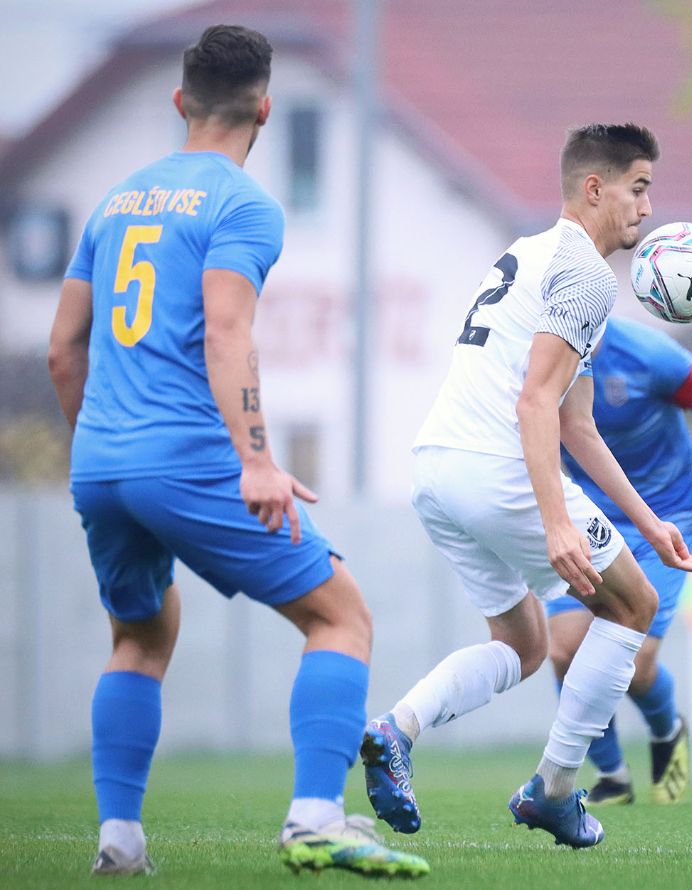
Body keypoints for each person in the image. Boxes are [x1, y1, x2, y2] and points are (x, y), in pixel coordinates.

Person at [47, 25, 428, 879]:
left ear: (179, 101)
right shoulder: (242, 204)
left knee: (141, 634)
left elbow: (63, 351)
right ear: (264, 109)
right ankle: (315, 818)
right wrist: (257, 458)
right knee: (339, 616)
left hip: (100, 462)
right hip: (186, 457)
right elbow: (226, 330)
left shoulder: (114, 202)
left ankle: (120, 839)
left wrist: (103, 450)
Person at [360, 124, 692, 849]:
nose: (648, 208)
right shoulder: (587, 275)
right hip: (499, 469)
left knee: (523, 644)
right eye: (639, 188)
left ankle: (396, 729)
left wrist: (648, 523)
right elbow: (534, 404)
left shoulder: (530, 254)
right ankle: (553, 791)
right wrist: (556, 522)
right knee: (634, 604)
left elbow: (578, 425)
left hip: (438, 468)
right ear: (595, 188)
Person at [545, 316, 692, 806]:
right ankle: (612, 774)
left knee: (633, 665)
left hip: (665, 515)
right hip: (588, 515)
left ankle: (667, 729)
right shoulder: (541, 354)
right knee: (565, 651)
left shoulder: (648, 355)